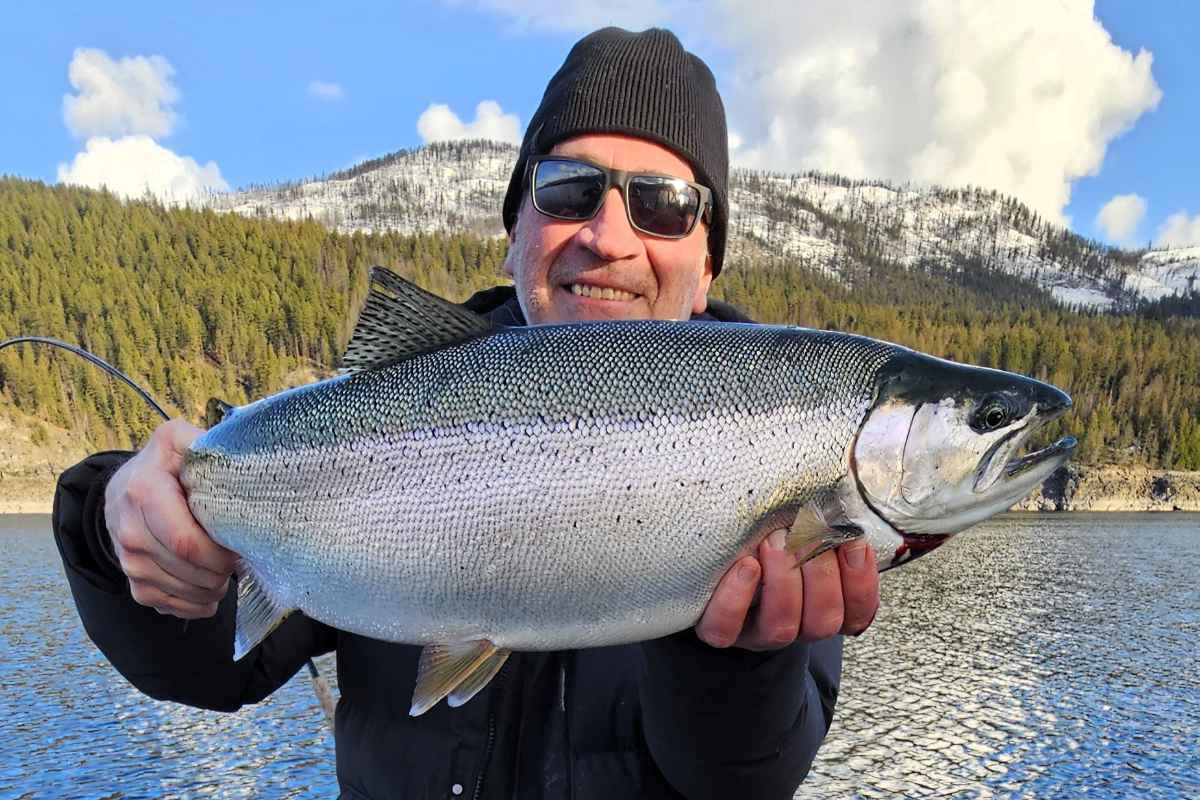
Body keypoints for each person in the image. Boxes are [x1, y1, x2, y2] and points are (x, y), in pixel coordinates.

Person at [52, 27, 880, 800]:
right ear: (514, 228)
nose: (609, 235)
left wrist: (738, 662)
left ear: (707, 263)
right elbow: (207, 670)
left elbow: (741, 781)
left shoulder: (781, 438)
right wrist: (112, 522)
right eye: (568, 190)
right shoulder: (401, 402)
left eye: (662, 206)